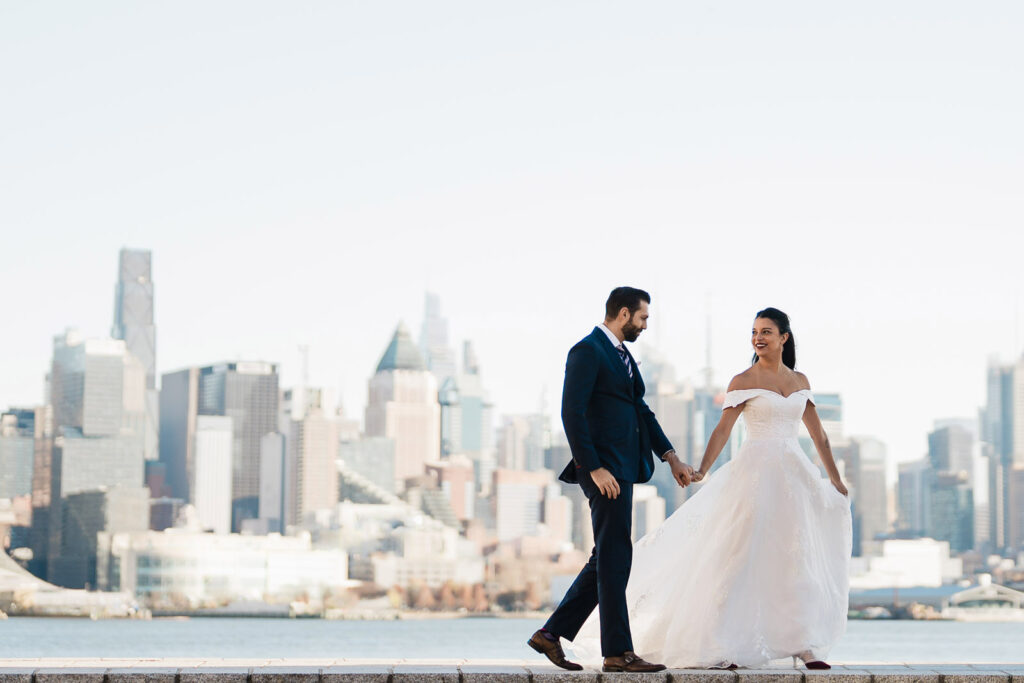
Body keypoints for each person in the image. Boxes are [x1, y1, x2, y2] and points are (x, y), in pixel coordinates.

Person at [567, 306, 852, 670]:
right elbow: (722, 430)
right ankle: (724, 645)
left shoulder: (800, 381)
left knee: (795, 558)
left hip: (794, 477)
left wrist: (835, 479)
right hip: (754, 476)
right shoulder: (742, 380)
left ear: (784, 338)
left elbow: (819, 435)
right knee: (739, 556)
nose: (758, 338)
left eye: (766, 331)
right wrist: (702, 468)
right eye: (754, 332)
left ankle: (803, 643)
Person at [527, 286, 696, 673]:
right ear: (623, 314)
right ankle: (617, 653)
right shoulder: (587, 351)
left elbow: (640, 410)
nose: (645, 325)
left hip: (621, 467)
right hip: (603, 472)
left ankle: (550, 635)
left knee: (608, 557)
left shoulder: (623, 357)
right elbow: (572, 412)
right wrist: (594, 467)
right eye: (643, 318)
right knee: (616, 556)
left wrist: (671, 457)